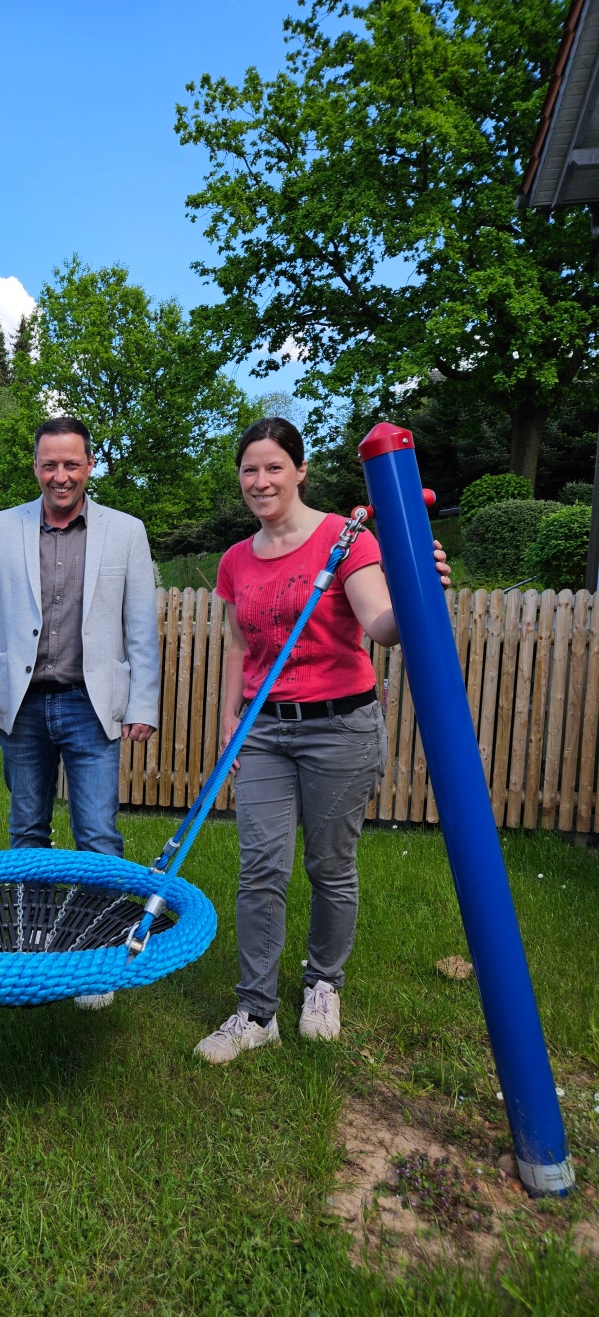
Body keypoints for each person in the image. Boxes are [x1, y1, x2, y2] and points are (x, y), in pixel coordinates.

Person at [195, 417, 450, 1063]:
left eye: (274, 467)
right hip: (265, 731)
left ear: (300, 471)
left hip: (340, 726)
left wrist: (421, 588)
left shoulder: (343, 537)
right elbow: (236, 646)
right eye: (250, 469)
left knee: (329, 867)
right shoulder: (234, 560)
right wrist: (230, 719)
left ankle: (322, 984)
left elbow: (382, 625)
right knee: (260, 870)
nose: (261, 481)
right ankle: (255, 1012)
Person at [0, 415, 160, 1009]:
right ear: (37, 467)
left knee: (97, 834)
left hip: (91, 704)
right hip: (21, 706)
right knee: (27, 830)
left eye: (72, 463)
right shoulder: (1, 529)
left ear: (89, 466)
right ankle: (36, 943)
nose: (61, 475)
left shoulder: (126, 532)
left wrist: (141, 702)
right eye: (50, 464)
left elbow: (140, 630)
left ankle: (99, 956)